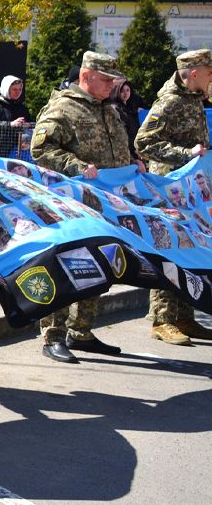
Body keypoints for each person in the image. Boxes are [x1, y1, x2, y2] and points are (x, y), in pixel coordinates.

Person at [31, 50, 144, 364]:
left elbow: (118, 149)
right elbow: (40, 149)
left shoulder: (109, 109)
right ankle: (53, 335)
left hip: (106, 206)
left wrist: (133, 163)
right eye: (106, 79)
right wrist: (75, 165)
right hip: (73, 206)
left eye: (112, 79)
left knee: (101, 266)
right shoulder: (64, 107)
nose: (111, 84)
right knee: (68, 266)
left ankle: (81, 331)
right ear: (87, 76)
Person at [134, 49, 212, 346]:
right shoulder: (169, 102)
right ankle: (162, 320)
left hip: (191, 192)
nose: (211, 78)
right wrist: (184, 154)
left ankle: (183, 316)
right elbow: (143, 141)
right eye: (209, 72)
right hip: (168, 188)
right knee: (168, 249)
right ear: (194, 73)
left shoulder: (193, 98)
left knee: (190, 249)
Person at [0, 75, 34, 157]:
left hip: (18, 153)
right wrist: (10, 124)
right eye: (14, 89)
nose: (17, 92)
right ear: (6, 89)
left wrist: (27, 126)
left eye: (20, 89)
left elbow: (30, 127)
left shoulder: (22, 107)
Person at [110, 78, 147, 157]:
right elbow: (121, 133)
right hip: (125, 152)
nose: (125, 93)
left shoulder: (131, 108)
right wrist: (133, 150)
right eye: (122, 90)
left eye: (128, 90)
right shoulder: (114, 109)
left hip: (136, 150)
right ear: (117, 91)